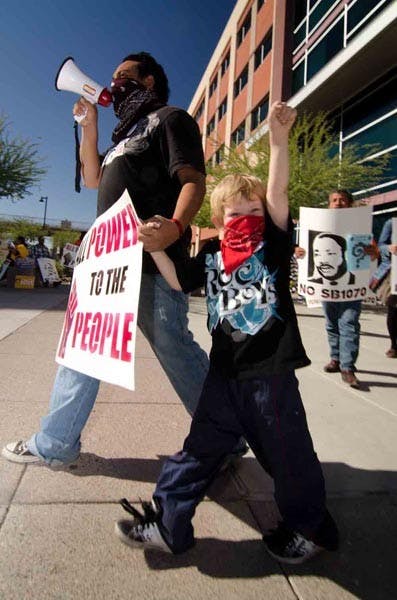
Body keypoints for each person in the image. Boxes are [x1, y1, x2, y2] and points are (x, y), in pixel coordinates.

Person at [114, 102, 339, 565]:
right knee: (197, 452)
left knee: (288, 456)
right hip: (223, 378)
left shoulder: (271, 245)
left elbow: (277, 188)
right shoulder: (214, 256)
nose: (245, 218)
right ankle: (168, 523)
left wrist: (278, 140)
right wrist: (155, 248)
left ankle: (309, 528)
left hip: (270, 377)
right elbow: (179, 282)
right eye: (235, 213)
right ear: (217, 221)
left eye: (253, 210)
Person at [2, 51, 217, 466]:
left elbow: (193, 180)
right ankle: (57, 443)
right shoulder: (124, 137)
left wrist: (175, 225)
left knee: (176, 350)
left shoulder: (171, 119)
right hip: (107, 259)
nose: (114, 82)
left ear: (149, 81)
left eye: (124, 75)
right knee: (83, 348)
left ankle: (223, 436)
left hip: (152, 259)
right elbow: (92, 177)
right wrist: (91, 127)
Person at [321, 190, 378, 389]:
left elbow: (374, 255)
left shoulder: (360, 226)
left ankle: (347, 367)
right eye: (334, 200)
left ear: (350, 204)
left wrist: (372, 253)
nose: (338, 203)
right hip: (328, 286)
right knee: (331, 324)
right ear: (329, 204)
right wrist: (300, 251)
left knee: (349, 323)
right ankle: (335, 359)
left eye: (342, 200)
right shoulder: (320, 224)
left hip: (352, 286)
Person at [369, 218, 397, 358]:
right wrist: (390, 248)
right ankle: (394, 345)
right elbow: (380, 246)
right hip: (393, 273)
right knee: (394, 308)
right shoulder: (392, 223)